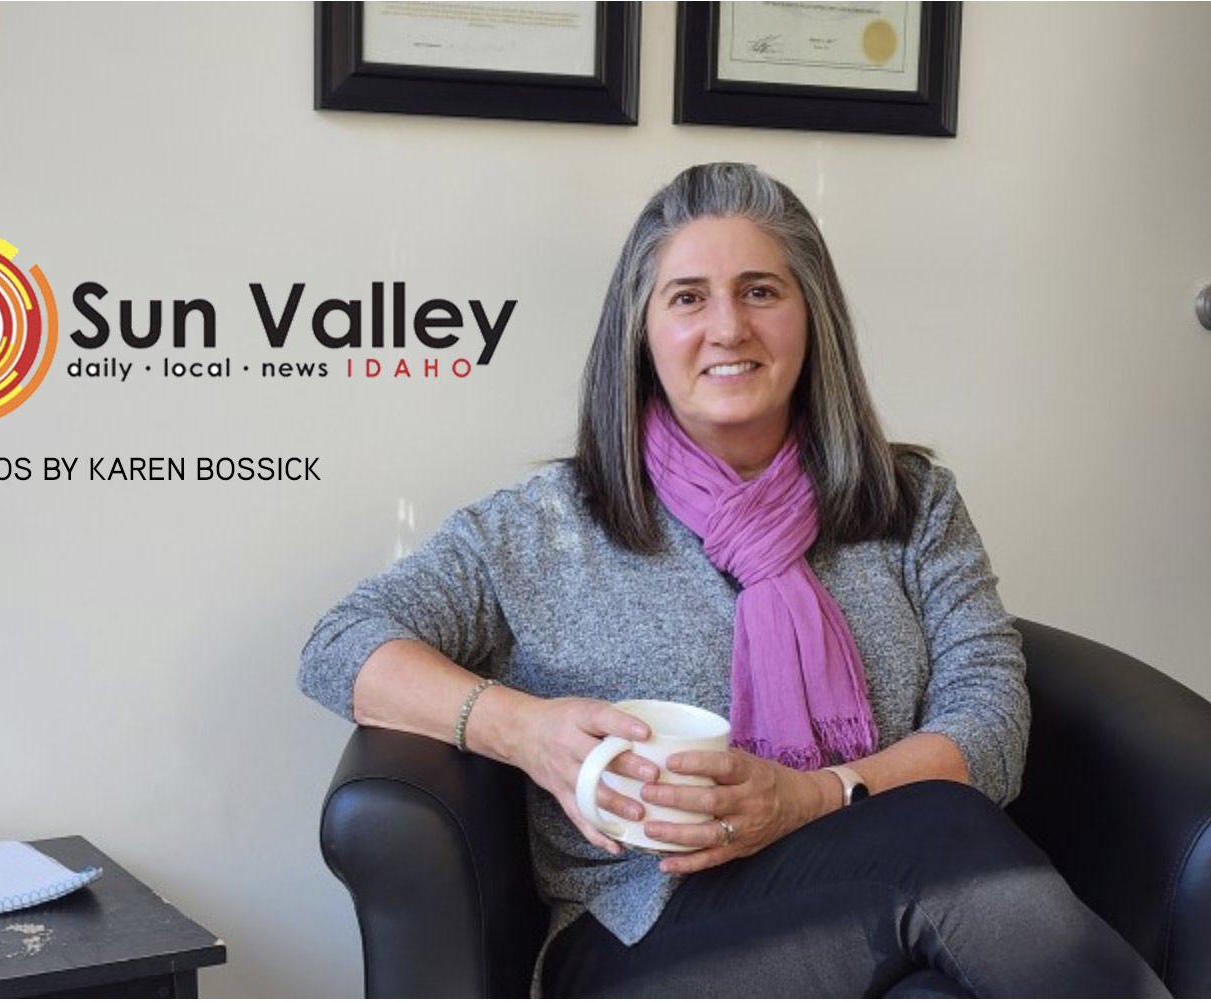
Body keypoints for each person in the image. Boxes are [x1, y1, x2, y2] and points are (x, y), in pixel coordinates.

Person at [298, 163, 1167, 997]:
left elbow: (992, 728)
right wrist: (525, 732)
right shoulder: (544, 526)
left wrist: (813, 797)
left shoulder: (911, 504)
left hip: (898, 900)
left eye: (760, 290)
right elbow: (340, 645)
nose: (728, 328)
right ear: (641, 330)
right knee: (940, 829)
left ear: (810, 315)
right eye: (688, 298)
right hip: (645, 944)